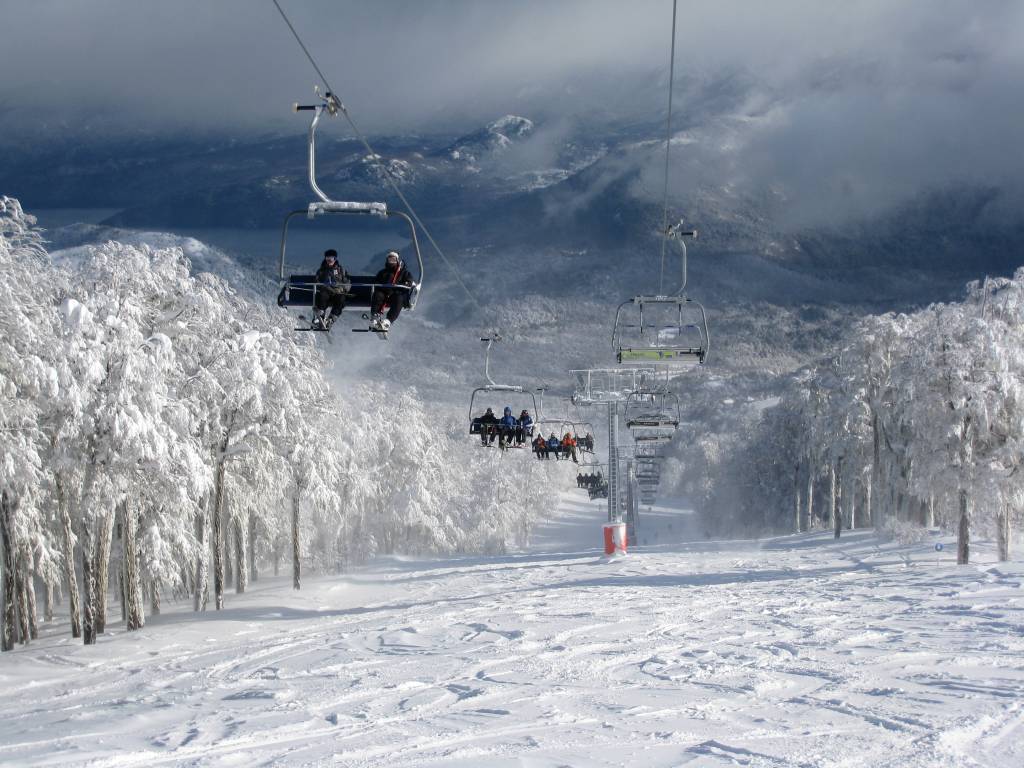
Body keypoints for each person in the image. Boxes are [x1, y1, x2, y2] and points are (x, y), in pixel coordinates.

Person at [370, 250, 414, 331]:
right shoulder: (382, 273)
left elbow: (409, 282)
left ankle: (388, 321)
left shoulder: (403, 272)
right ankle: (375, 317)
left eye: (394, 260)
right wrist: (382, 287)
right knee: (377, 294)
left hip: (396, 294)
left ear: (397, 260)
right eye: (390, 260)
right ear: (387, 260)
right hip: (384, 294)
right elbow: (376, 282)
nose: (391, 262)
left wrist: (405, 284)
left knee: (399, 298)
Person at [313, 249, 350, 329]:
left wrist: (342, 289)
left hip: (337, 293)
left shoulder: (341, 270)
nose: (329, 260)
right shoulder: (321, 271)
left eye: (331, 258)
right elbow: (317, 282)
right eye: (327, 258)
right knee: (322, 295)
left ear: (335, 259)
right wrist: (325, 287)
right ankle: (321, 316)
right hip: (326, 292)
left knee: (341, 299)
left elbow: (347, 283)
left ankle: (331, 319)